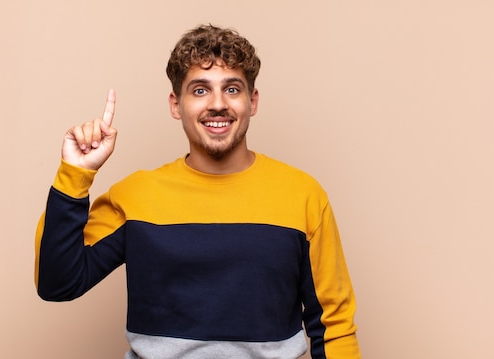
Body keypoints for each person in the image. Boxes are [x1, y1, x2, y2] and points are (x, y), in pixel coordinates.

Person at [35, 24, 360, 359]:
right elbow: (57, 283)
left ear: (253, 101)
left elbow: (334, 325)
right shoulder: (135, 196)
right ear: (176, 104)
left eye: (232, 89)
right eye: (200, 90)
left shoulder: (303, 195)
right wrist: (76, 173)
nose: (217, 104)